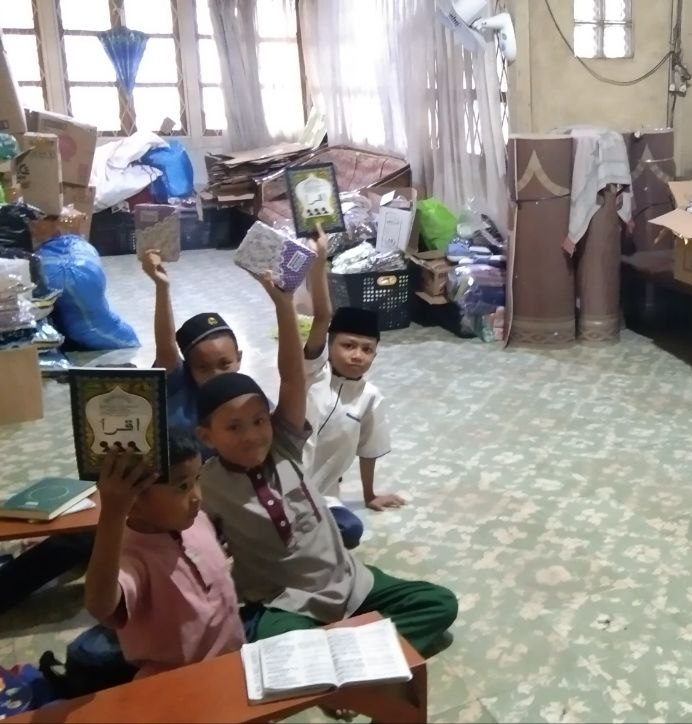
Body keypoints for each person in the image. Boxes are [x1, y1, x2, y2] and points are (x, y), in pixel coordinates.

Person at [193, 269, 457, 657]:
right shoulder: (208, 484)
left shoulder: (282, 445)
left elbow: (291, 379)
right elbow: (200, 546)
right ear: (206, 437)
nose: (251, 435)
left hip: (348, 581)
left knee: (439, 603)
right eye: (234, 427)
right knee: (279, 649)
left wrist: (283, 304)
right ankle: (356, 654)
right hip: (284, 601)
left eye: (259, 421)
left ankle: (345, 657)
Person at [82, 433, 244, 679]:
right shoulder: (133, 555)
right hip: (179, 681)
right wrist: (112, 514)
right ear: (134, 501)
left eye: (197, 479)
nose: (197, 496)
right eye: (182, 487)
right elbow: (100, 605)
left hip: (232, 661)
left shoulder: (197, 520)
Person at [301, 250, 405, 549]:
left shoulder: (370, 398)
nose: (357, 355)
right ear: (329, 345)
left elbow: (369, 449)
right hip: (278, 484)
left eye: (367, 349)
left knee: (350, 530)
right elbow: (322, 317)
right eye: (348, 345)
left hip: (322, 495)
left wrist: (370, 496)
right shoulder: (311, 372)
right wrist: (319, 262)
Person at [141, 249, 242, 437]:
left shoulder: (249, 398)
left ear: (239, 359)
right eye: (203, 368)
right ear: (189, 369)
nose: (216, 375)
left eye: (225, 364)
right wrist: (162, 287)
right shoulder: (179, 387)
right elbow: (165, 347)